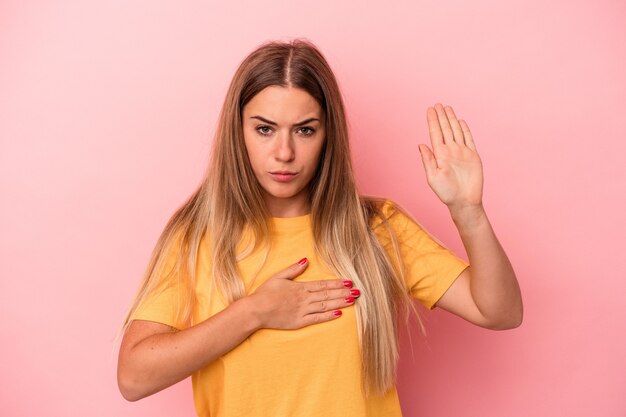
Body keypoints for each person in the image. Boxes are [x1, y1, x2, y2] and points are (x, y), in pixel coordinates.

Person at [117, 38, 522, 416]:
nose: (284, 152)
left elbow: (499, 312)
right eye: (264, 128)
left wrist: (469, 212)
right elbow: (134, 378)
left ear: (328, 136)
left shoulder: (377, 229)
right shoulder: (198, 236)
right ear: (237, 132)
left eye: (305, 130)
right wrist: (255, 311)